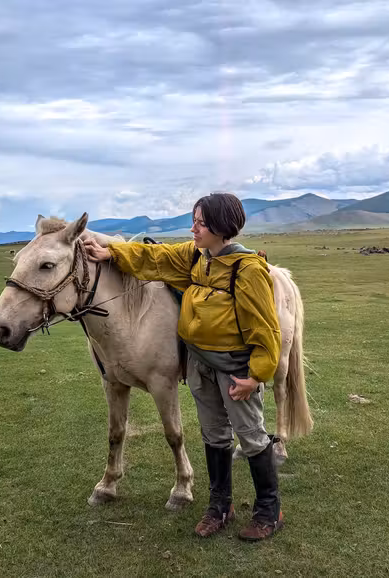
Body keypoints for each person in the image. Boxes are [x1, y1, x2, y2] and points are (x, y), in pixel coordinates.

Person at [84, 192, 283, 542]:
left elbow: (264, 328)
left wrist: (255, 376)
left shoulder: (247, 269)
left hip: (236, 367)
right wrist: (111, 251)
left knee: (251, 437)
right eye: (194, 220)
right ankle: (220, 506)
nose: (193, 228)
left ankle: (269, 511)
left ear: (222, 227)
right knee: (214, 436)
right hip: (200, 364)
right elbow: (154, 256)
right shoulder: (195, 257)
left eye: (201, 223)